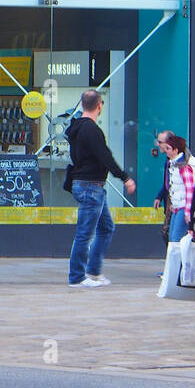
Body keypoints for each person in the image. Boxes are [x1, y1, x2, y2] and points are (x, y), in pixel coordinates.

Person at [66, 89, 135, 288]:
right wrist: (125, 178)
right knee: (85, 233)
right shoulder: (91, 130)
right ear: (99, 106)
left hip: (89, 185)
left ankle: (93, 272)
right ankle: (77, 277)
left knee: (106, 227)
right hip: (90, 186)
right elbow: (105, 156)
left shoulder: (77, 128)